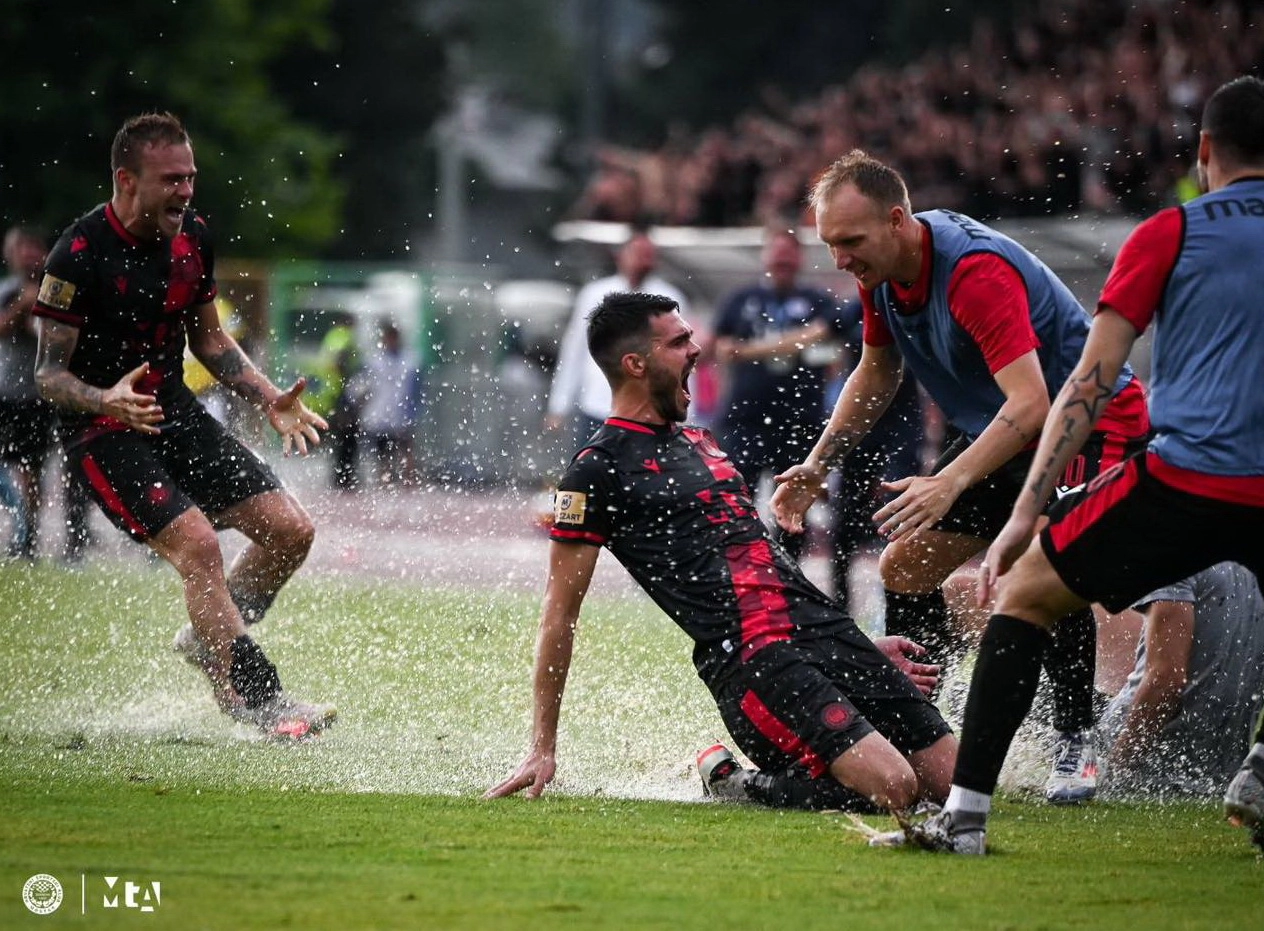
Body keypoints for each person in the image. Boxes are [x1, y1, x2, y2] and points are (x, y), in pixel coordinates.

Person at [899, 75, 1264, 855]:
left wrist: (1027, 511)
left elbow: (1088, 384)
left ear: (1203, 153)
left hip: (1184, 476)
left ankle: (964, 817)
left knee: (1024, 593)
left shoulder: (1170, 233)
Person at [770, 149, 1151, 805]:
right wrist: (816, 463)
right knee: (905, 564)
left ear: (896, 220)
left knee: (1042, 570)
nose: (841, 259)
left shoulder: (973, 273)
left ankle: (1075, 737)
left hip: (1092, 423)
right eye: (830, 243)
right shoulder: (882, 271)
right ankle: (921, 722)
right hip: (1013, 431)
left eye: (851, 241)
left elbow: (1035, 402)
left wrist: (947, 481)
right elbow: (878, 372)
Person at [485, 291, 957, 814]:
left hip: (820, 631)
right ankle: (736, 783)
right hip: (754, 659)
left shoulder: (702, 441)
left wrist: (859, 648)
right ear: (635, 364)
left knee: (954, 785)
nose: (696, 349)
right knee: (895, 789)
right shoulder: (597, 469)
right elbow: (559, 612)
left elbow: (764, 560)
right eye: (680, 341)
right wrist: (541, 747)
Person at [31, 111, 335, 738]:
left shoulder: (194, 235)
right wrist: (105, 398)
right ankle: (260, 698)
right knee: (198, 546)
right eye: (171, 180)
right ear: (127, 180)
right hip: (102, 430)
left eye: (190, 177)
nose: (186, 191)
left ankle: (210, 638)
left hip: (176, 413)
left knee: (290, 532)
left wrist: (269, 397)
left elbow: (211, 340)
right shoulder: (78, 252)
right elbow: (47, 377)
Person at [709, 228, 850, 559]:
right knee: (737, 501)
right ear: (765, 256)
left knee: (791, 510)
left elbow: (826, 341)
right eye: (777, 253)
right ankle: (738, 572)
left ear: (799, 258)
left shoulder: (819, 300)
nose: (782, 260)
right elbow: (721, 349)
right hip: (745, 419)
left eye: (789, 254)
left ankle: (787, 578)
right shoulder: (741, 300)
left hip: (800, 423)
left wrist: (748, 351)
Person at [1099, 563, 1264, 798]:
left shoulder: (1176, 559)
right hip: (1224, 769)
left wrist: (1115, 771)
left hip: (1150, 759)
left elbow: (1166, 682)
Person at [545, 227, 689, 450]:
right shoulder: (595, 294)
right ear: (622, 256)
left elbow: (682, 358)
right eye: (638, 254)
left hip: (648, 410)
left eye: (648, 255)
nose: (643, 261)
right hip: (597, 405)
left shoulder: (669, 299)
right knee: (591, 476)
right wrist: (559, 405)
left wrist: (687, 410)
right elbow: (574, 351)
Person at [0, 226, 95, 564]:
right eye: (21, 248)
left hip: (57, 395)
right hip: (17, 394)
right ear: (10, 255)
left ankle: (76, 539)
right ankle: (27, 537)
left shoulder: (58, 289)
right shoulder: (9, 290)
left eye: (34, 247)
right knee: (27, 469)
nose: (29, 255)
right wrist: (21, 307)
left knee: (76, 466)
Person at [358, 319, 421, 486]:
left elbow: (416, 387)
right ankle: (385, 482)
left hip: (401, 411)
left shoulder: (409, 361)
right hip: (380, 413)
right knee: (383, 452)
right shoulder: (374, 361)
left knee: (406, 449)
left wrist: (413, 410)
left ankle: (409, 482)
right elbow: (364, 385)